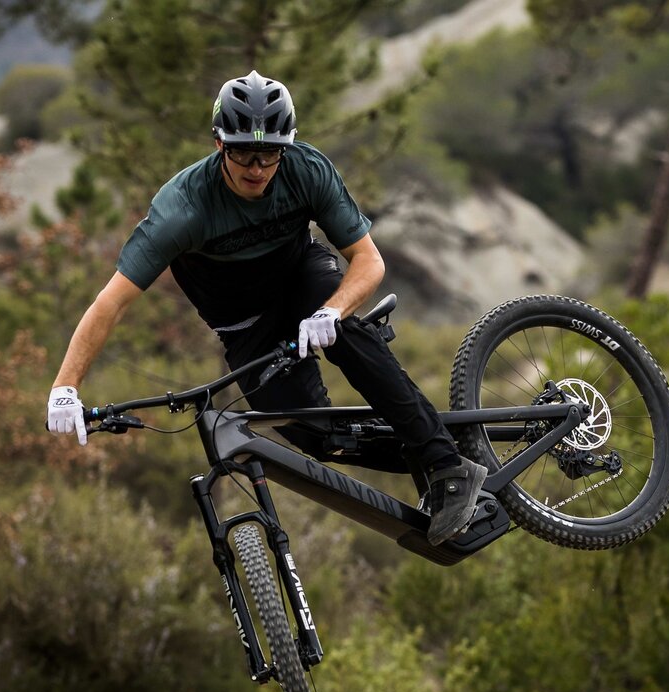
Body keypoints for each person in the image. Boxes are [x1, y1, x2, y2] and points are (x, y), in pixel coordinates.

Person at [46, 70, 486, 545]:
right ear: (219, 145)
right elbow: (110, 302)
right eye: (243, 154)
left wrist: (331, 312)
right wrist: (65, 387)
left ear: (287, 146)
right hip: (245, 327)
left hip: (302, 281)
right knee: (321, 440)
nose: (257, 168)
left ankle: (447, 469)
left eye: (270, 153)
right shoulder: (183, 209)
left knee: (343, 333)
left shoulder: (305, 170)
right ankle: (443, 446)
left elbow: (368, 260)